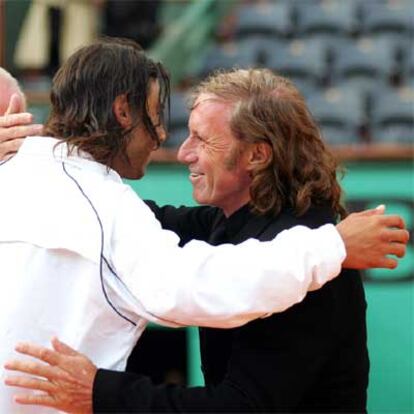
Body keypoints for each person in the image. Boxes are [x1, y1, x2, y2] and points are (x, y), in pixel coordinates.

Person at [1, 38, 399, 414]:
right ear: (124, 110)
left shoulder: (311, 254)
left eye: (201, 140)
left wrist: (99, 392)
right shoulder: (94, 200)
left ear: (257, 155)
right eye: (161, 119)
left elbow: (239, 406)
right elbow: (166, 266)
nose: (171, 144)